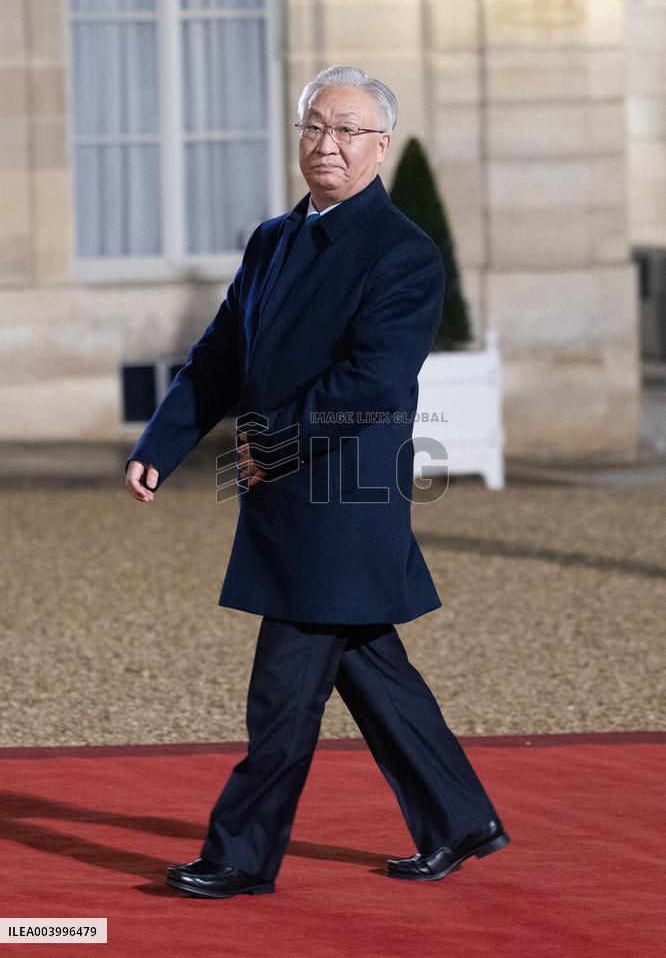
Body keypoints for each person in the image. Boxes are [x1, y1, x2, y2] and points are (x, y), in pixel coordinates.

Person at [125, 65, 510, 900]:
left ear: (381, 145)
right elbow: (222, 353)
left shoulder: (404, 253)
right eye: (313, 127)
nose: (326, 144)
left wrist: (269, 444)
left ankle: (240, 854)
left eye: (346, 130)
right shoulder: (272, 238)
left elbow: (374, 381)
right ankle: (459, 818)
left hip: (344, 499)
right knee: (369, 664)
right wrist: (165, 438)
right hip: (285, 491)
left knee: (284, 690)